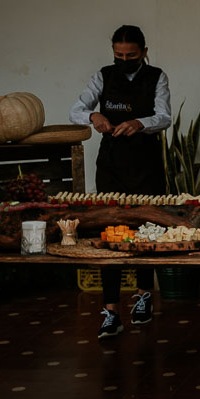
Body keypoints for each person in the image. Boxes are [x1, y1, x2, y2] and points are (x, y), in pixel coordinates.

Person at [70, 24, 171, 339]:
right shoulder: (103, 75)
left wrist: (139, 123)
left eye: (130, 55)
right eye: (119, 55)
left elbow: (164, 116)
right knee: (111, 231)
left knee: (145, 229)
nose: (124, 59)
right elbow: (77, 108)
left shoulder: (157, 77)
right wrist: (93, 117)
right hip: (111, 165)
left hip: (146, 164)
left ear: (144, 52)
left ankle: (143, 296)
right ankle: (111, 310)